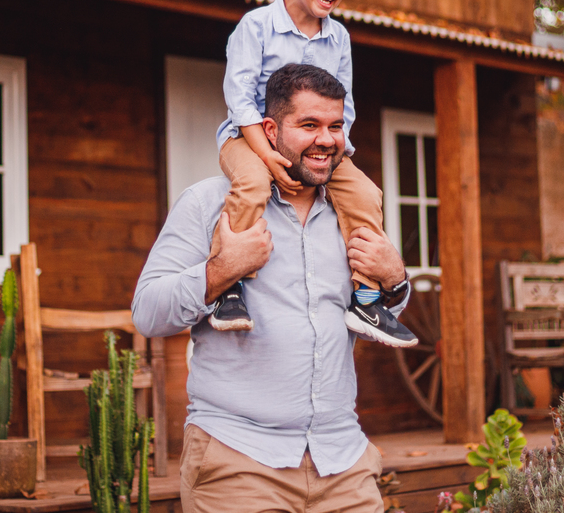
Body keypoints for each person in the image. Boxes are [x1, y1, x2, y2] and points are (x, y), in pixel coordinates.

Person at [132, 64, 414, 513]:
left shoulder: (356, 212)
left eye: (335, 126)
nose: (326, 139)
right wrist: (222, 270)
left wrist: (396, 277)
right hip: (237, 462)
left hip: (343, 463)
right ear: (269, 129)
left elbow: (373, 317)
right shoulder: (209, 203)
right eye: (309, 125)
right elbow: (147, 312)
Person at [206, 0, 416, 348]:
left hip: (315, 144)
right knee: (250, 185)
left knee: (366, 194)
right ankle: (230, 286)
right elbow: (239, 97)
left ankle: (366, 295)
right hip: (246, 140)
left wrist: (339, 155)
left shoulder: (338, 38)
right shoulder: (256, 27)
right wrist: (266, 156)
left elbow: (347, 103)